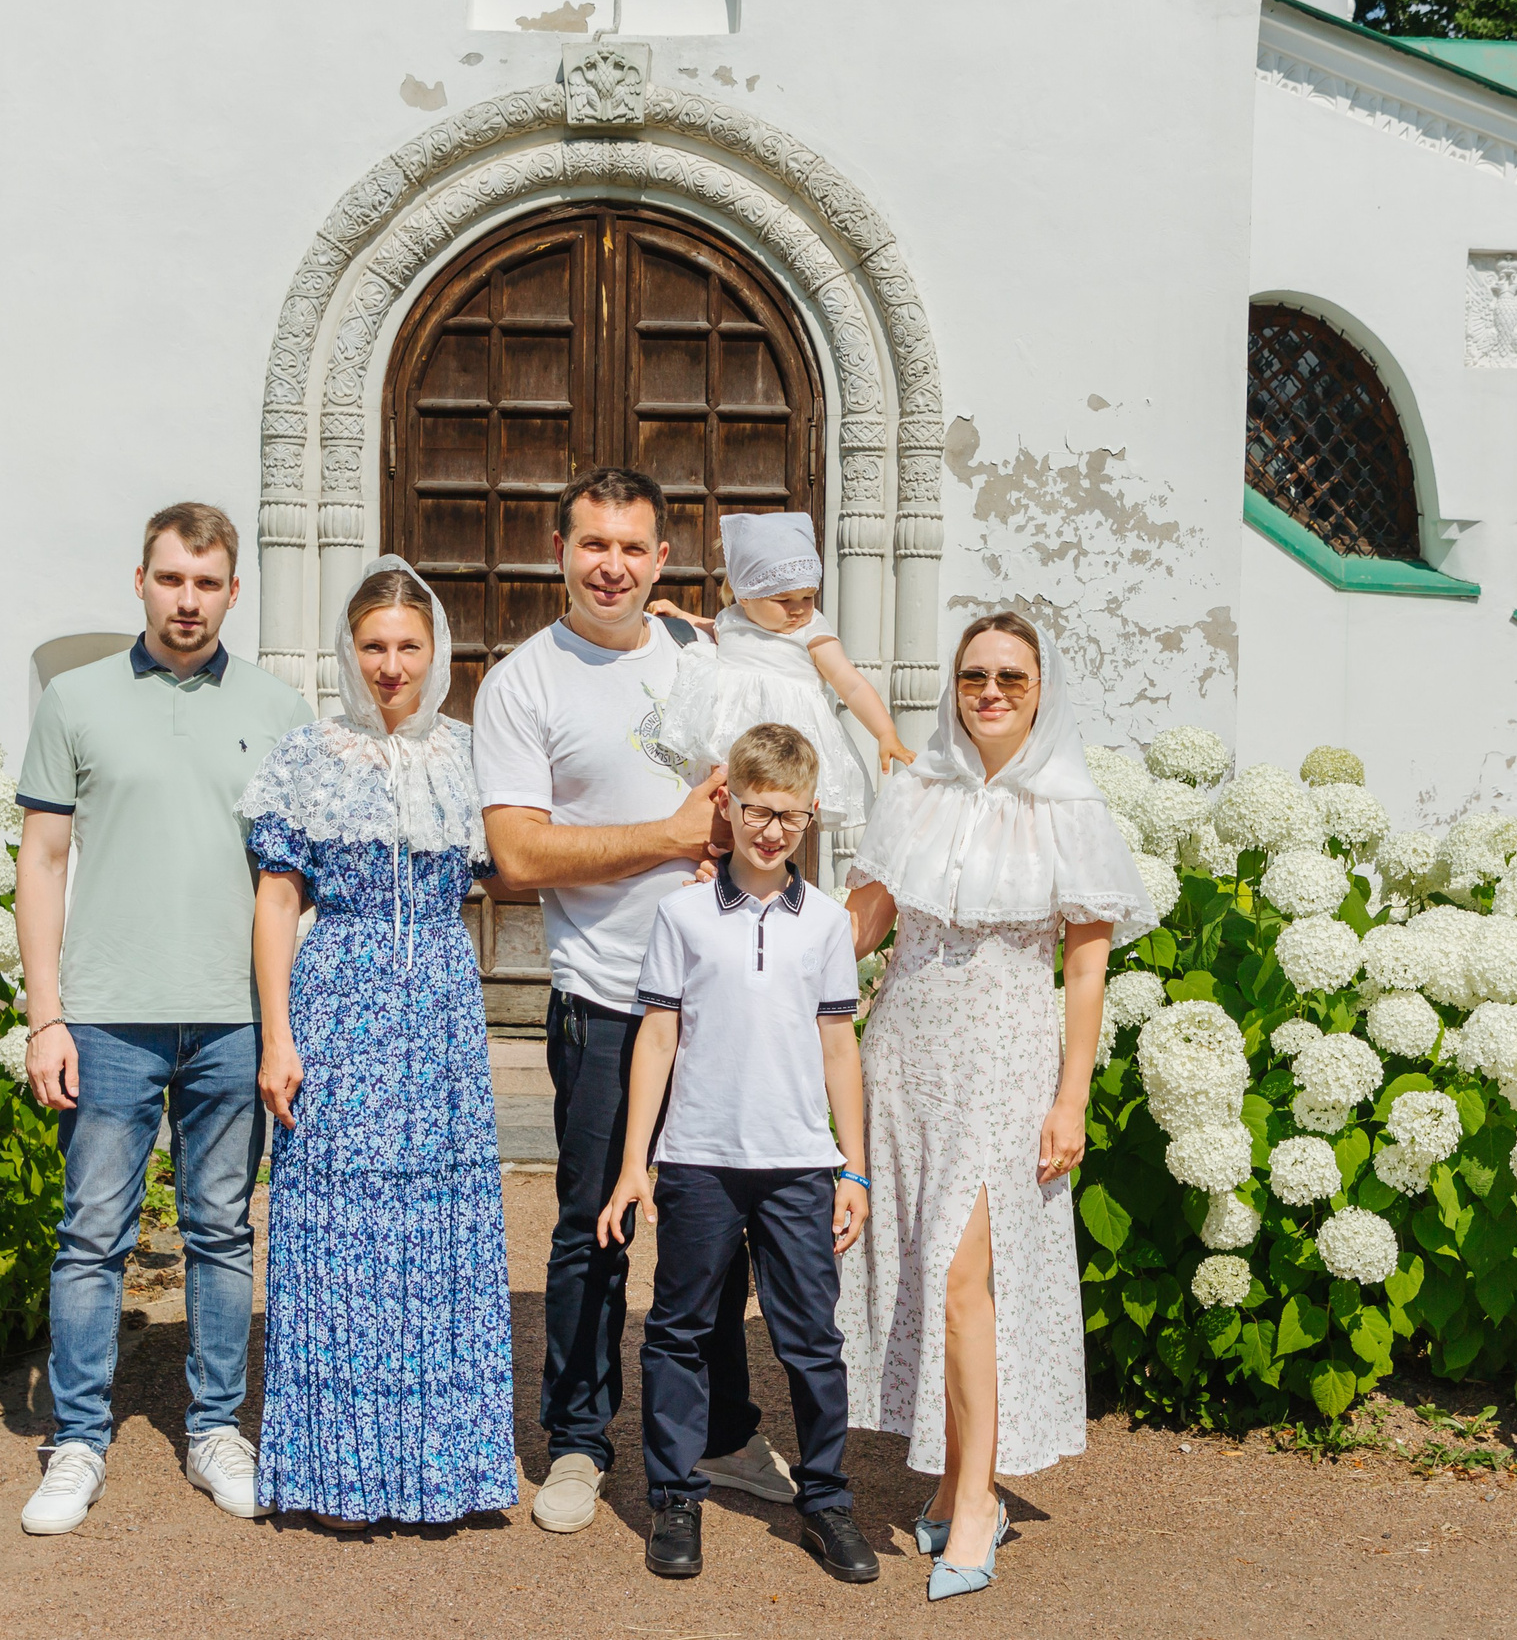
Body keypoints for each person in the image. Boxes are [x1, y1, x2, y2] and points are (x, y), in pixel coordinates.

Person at [473, 466, 795, 1535]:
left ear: (662, 561)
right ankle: (576, 1439)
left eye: (631, 546)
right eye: (591, 543)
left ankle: (721, 1429)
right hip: (607, 997)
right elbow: (516, 853)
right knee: (590, 1227)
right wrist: (665, 837)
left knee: (721, 1225)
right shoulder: (525, 683)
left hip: (721, 998)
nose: (609, 563)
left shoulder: (711, 659)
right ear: (558, 551)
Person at [12, 502, 315, 1536]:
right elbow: (43, 862)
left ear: (234, 592)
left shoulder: (280, 712)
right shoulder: (76, 701)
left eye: (207, 583)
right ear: (138, 581)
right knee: (91, 1234)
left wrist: (283, 1022)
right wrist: (44, 1015)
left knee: (223, 1232)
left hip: (232, 1015)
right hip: (105, 1015)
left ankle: (217, 1429)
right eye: (171, 579)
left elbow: (293, 882)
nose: (188, 601)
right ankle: (78, 1441)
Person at [836, 611, 1152, 1602]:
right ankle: (945, 1474)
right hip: (904, 1055)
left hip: (1008, 1062)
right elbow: (862, 925)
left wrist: (1072, 1098)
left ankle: (977, 1497)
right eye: (975, 675)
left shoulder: (1071, 809)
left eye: (1011, 678)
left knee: (968, 1275)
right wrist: (750, 937)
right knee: (928, 1274)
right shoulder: (915, 792)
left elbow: (1087, 972)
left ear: (1041, 689)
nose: (990, 692)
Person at [240, 557, 516, 1529]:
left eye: (407, 646)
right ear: (347, 653)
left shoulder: (469, 755)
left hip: (438, 1008)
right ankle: (339, 1472)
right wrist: (278, 1036)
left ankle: (440, 1470)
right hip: (338, 1001)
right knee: (337, 1234)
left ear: (434, 651)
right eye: (372, 646)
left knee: (437, 1232)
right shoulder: (307, 757)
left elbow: (499, 868)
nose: (389, 665)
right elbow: (277, 901)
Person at [598, 722, 880, 1585]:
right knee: (679, 1332)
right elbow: (656, 1038)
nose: (772, 831)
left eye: (791, 818)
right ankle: (674, 1497)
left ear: (811, 816)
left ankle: (826, 1498)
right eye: (759, 812)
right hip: (697, 1158)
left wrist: (854, 1168)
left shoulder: (827, 923)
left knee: (811, 1342)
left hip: (797, 1165)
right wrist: (633, 1164)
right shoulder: (682, 913)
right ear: (734, 805)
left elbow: (841, 1049)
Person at [650, 511, 915, 831]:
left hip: (784, 746)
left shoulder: (811, 632)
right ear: (745, 596)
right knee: (722, 813)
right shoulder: (734, 620)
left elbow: (851, 685)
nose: (799, 609)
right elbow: (713, 627)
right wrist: (681, 615)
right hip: (731, 742)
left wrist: (885, 733)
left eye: (808, 597)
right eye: (784, 599)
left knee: (772, 815)